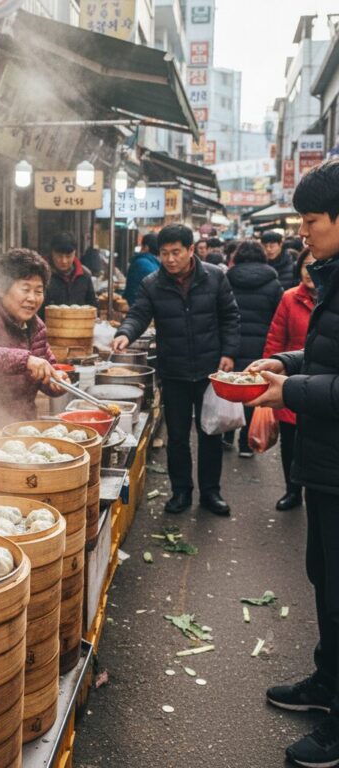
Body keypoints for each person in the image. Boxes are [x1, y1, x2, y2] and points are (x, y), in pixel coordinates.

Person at [247, 159, 339, 768]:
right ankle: (327, 683)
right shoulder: (331, 274)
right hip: (327, 465)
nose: (302, 233)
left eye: (310, 221)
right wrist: (291, 362)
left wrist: (291, 392)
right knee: (323, 581)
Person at [112, 224, 240, 516]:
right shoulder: (152, 283)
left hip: (210, 371)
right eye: (164, 254)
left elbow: (230, 316)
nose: (169, 259)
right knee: (178, 437)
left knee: (210, 433)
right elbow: (138, 314)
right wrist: (125, 333)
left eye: (175, 252)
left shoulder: (215, 277)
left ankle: (211, 492)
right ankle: (181, 491)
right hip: (174, 371)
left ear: (191, 250)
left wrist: (229, 353)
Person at [0, 248, 66, 425]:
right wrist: (25, 360)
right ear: (2, 288)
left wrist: (56, 381)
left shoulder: (36, 327)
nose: (32, 298)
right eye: (25, 289)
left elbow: (46, 368)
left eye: (38, 291)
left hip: (24, 426)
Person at [261, 248, 317, 510]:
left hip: (324, 383)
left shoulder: (331, 298)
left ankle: (315, 492)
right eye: (305, 265)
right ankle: (292, 490)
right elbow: (275, 338)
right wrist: (267, 375)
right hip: (290, 381)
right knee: (290, 441)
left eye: (315, 265)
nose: (309, 271)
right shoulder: (289, 298)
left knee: (317, 441)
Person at [222, 240, 282, 455]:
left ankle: (227, 434)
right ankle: (247, 444)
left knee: (231, 387)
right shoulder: (273, 283)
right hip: (261, 345)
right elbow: (278, 317)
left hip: (232, 343)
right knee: (252, 390)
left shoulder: (228, 278)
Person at [40, 231, 96, 316]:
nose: (64, 261)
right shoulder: (41, 275)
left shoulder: (85, 275)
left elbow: (92, 305)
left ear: (75, 253)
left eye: (68, 256)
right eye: (59, 256)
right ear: (52, 253)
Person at [123, 233, 160, 305]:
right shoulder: (156, 264)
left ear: (146, 247)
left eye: (141, 246)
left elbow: (132, 292)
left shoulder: (140, 263)